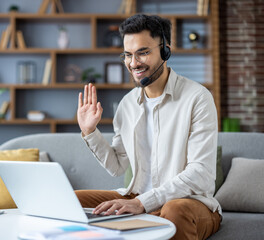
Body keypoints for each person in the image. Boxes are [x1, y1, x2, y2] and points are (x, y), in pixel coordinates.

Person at [76, 14, 221, 240]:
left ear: (165, 51)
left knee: (173, 210)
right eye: (127, 55)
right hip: (137, 196)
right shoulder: (127, 105)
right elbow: (117, 167)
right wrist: (89, 132)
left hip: (188, 203)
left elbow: (200, 173)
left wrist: (144, 202)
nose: (133, 63)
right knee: (72, 200)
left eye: (143, 52)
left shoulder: (197, 98)